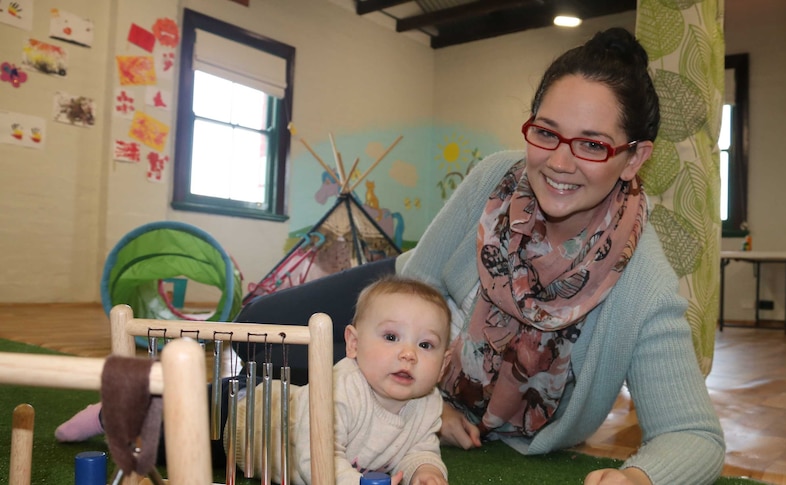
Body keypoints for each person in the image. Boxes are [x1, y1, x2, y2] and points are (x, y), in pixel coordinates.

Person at [395, 27, 725, 485]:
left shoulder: (643, 282)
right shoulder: (495, 177)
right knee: (272, 332)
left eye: (592, 144)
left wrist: (637, 480)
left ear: (633, 159)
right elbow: (409, 291)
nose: (560, 163)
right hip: (389, 321)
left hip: (492, 437)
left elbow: (693, 434)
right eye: (547, 133)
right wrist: (429, 404)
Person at [56, 275, 452, 485]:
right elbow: (317, 459)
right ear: (351, 343)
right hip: (242, 429)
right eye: (390, 337)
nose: (408, 354)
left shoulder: (429, 403)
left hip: (270, 409)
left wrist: (425, 471)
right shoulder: (342, 388)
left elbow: (420, 448)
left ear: (444, 362)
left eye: (426, 344)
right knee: (163, 434)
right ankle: (111, 414)